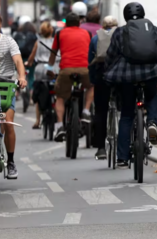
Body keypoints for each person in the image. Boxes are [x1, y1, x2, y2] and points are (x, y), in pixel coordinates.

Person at [102, 2, 157, 166]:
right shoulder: (152, 28)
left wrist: (107, 72)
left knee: (127, 114)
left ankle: (123, 157)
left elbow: (111, 55)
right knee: (152, 96)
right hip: (151, 71)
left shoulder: (120, 32)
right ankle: (152, 122)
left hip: (128, 75)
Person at [0, 11, 28, 179]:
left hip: (6, 86)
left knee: (8, 123)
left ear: (1, 23)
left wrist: (22, 77)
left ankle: (10, 162)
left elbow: (18, 60)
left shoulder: (9, 41)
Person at [49, 12, 94, 142]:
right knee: (91, 86)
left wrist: (49, 67)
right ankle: (86, 110)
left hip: (66, 70)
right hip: (85, 69)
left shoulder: (59, 34)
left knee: (60, 96)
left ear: (66, 24)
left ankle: (59, 126)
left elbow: (53, 54)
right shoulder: (87, 33)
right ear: (79, 23)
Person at [89, 15, 119, 160]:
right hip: (119, 76)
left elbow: (90, 61)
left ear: (103, 26)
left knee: (100, 112)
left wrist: (92, 80)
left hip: (102, 77)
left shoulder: (96, 38)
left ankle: (100, 148)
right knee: (126, 109)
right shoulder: (121, 36)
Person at [28, 21, 57, 129]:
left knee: (39, 94)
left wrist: (29, 63)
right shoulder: (55, 41)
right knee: (55, 89)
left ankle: (37, 120)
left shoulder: (38, 42)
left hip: (40, 69)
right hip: (52, 69)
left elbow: (32, 56)